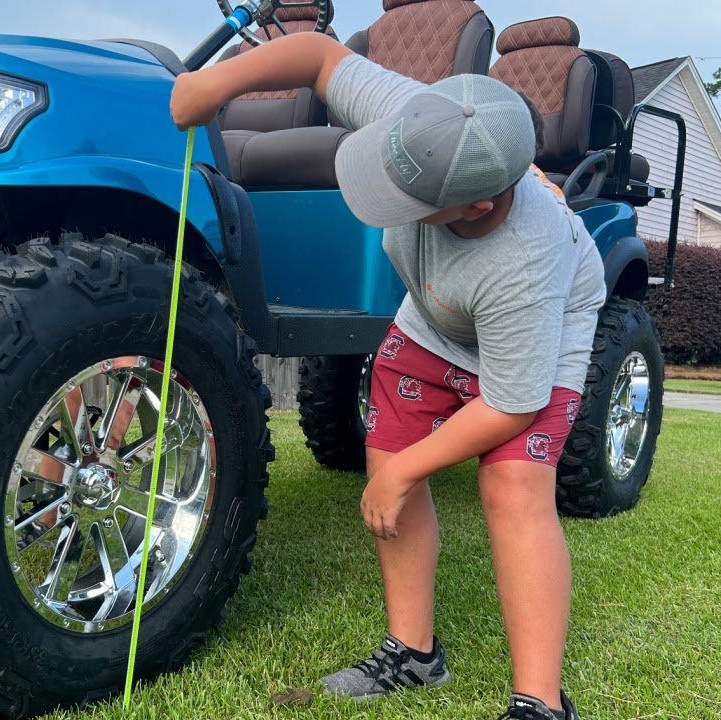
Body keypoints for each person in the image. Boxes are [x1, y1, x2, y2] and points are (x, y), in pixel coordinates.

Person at [171, 31, 605, 720]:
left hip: (538, 337)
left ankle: (541, 703)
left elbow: (511, 404)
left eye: (412, 197)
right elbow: (317, 55)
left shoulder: (525, 263)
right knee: (389, 450)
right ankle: (413, 654)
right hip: (432, 315)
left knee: (514, 485)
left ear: (477, 205)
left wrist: (404, 474)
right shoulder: (426, 121)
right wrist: (215, 85)